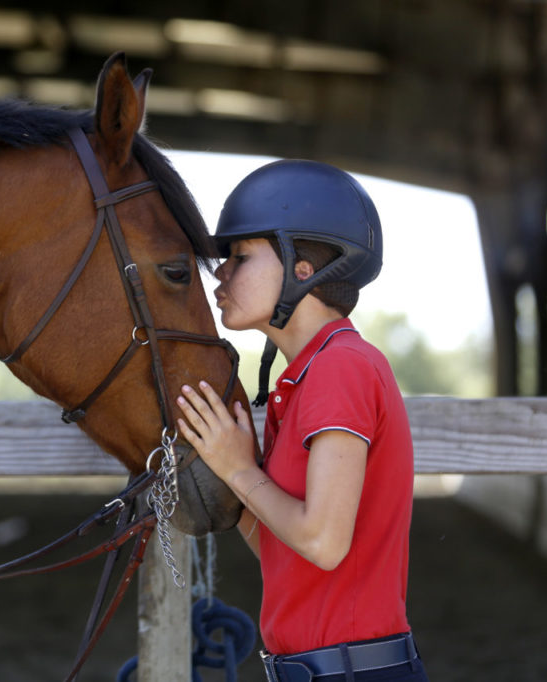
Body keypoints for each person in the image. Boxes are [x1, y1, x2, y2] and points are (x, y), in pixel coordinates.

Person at [175, 159, 430, 682]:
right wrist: (224, 474)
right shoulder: (305, 379)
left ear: (302, 269)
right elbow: (288, 551)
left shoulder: (342, 366)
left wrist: (242, 470)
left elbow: (322, 543)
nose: (220, 273)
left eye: (240, 256)